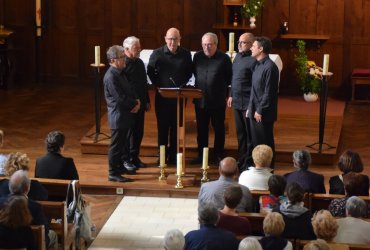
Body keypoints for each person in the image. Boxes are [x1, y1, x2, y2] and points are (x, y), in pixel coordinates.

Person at [147, 27, 192, 164]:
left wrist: (181, 84)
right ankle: (161, 157)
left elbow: (189, 71)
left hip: (179, 96)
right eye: (170, 39)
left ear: (180, 39)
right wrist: (158, 85)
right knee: (162, 127)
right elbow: (150, 71)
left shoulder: (185, 54)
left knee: (175, 127)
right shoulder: (157, 53)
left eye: (175, 39)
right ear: (165, 39)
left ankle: (173, 156)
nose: (172, 42)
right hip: (163, 97)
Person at [192, 32, 232, 164]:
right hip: (200, 100)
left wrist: (228, 95)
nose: (206, 47)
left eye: (209, 44)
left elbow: (229, 78)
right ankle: (201, 155)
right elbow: (194, 73)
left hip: (217, 100)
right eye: (204, 44)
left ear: (216, 44)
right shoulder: (197, 57)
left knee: (219, 128)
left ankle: (218, 154)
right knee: (201, 129)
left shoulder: (224, 58)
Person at [104, 45, 140, 182]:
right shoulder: (111, 77)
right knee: (116, 146)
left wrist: (136, 101)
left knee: (122, 144)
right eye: (122, 57)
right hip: (118, 116)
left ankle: (119, 168)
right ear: (113, 60)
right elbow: (119, 98)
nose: (124, 59)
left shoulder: (120, 72)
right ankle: (113, 172)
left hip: (125, 115)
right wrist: (134, 104)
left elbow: (129, 90)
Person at [0, 170, 57, 249]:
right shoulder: (34, 207)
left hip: (3, 243)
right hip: (29, 244)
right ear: (27, 188)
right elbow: (45, 230)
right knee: (53, 235)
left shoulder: (1, 203)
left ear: (10, 187)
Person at [247, 36, 279, 169]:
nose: (251, 48)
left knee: (265, 142)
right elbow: (254, 90)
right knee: (256, 141)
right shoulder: (257, 65)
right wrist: (250, 107)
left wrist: (260, 109)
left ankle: (268, 169)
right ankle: (259, 168)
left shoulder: (270, 67)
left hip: (263, 112)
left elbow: (269, 92)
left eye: (253, 46)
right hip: (255, 109)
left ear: (261, 49)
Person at [227, 33, 256, 171]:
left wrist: (252, 104)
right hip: (237, 100)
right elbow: (234, 78)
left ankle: (249, 161)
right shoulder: (237, 57)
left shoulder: (254, 59)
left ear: (251, 44)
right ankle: (242, 158)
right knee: (240, 133)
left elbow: (255, 85)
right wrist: (231, 95)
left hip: (248, 102)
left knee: (249, 134)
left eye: (243, 43)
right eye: (239, 42)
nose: (239, 45)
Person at [122, 36, 150, 169]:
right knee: (128, 134)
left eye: (139, 47)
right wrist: (132, 103)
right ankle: (126, 159)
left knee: (139, 132)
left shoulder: (139, 63)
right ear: (126, 49)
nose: (139, 50)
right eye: (136, 48)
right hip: (130, 107)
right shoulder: (122, 65)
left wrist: (147, 100)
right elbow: (124, 88)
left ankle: (135, 156)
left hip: (141, 104)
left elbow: (143, 84)